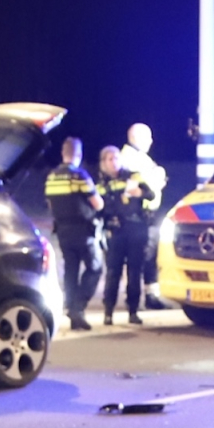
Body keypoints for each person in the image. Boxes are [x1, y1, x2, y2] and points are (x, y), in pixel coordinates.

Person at [44, 137, 104, 330]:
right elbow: (98, 203)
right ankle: (78, 307)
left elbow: (50, 204)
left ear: (63, 153)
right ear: (78, 154)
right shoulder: (80, 176)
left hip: (62, 230)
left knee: (71, 270)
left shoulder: (51, 176)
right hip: (83, 230)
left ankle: (71, 307)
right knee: (94, 267)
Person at [97, 143, 157, 326]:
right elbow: (98, 209)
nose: (113, 162)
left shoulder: (133, 176)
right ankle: (108, 312)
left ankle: (133, 311)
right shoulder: (101, 184)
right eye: (109, 159)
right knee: (113, 272)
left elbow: (151, 195)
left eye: (116, 158)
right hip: (115, 231)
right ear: (104, 163)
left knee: (134, 272)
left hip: (136, 229)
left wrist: (140, 192)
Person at [121, 123, 171, 309]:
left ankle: (150, 295)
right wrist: (157, 176)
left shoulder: (139, 158)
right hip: (138, 214)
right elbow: (144, 184)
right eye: (147, 137)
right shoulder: (129, 159)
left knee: (149, 257)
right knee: (140, 258)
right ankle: (141, 297)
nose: (151, 141)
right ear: (135, 137)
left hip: (147, 213)